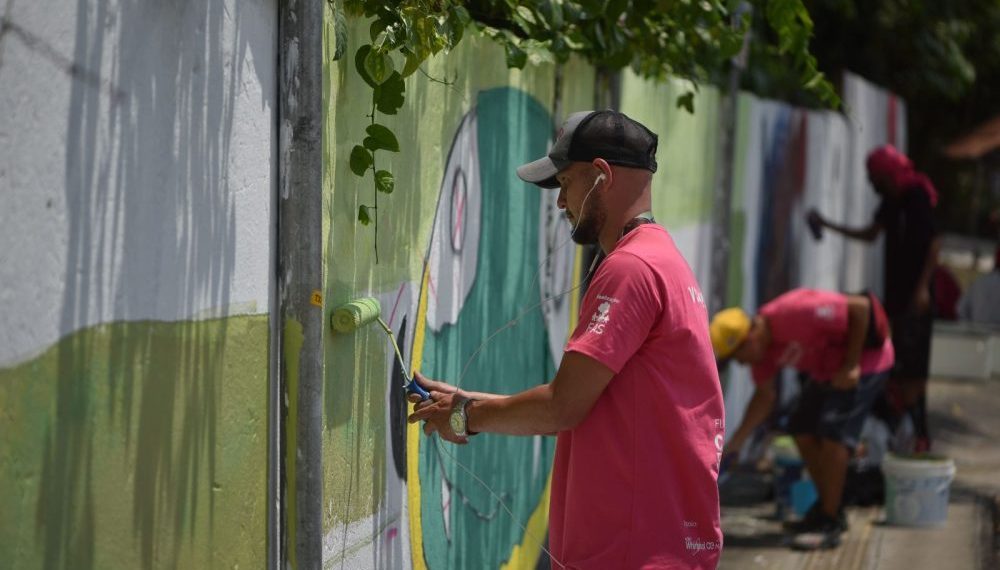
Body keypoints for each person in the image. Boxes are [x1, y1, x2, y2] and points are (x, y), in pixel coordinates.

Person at [408, 110, 726, 569]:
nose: (560, 202)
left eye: (565, 182)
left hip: (629, 555)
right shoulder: (663, 260)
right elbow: (593, 406)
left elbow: (563, 407)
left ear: (601, 175)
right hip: (658, 547)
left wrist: (464, 417)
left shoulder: (630, 269)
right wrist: (467, 402)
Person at [709, 289, 894, 550]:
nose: (740, 364)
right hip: (828, 371)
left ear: (751, 337)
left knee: (834, 435)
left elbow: (861, 308)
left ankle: (829, 522)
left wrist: (851, 365)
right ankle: (829, 507)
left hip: (865, 361)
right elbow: (764, 396)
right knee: (801, 427)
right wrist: (736, 442)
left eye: (738, 356)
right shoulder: (762, 354)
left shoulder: (792, 313)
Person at [807, 145, 940, 452]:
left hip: (916, 298)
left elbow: (934, 244)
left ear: (887, 174)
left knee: (913, 372)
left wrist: (922, 287)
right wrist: (829, 225)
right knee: (901, 367)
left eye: (874, 176)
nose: (871, 183)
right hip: (897, 296)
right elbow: (870, 234)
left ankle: (920, 436)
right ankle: (910, 435)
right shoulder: (891, 201)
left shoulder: (916, 196)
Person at [957, 246, 1000, 326]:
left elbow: (960, 309)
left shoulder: (980, 282)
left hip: (976, 331)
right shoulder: (980, 282)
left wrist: (969, 328)